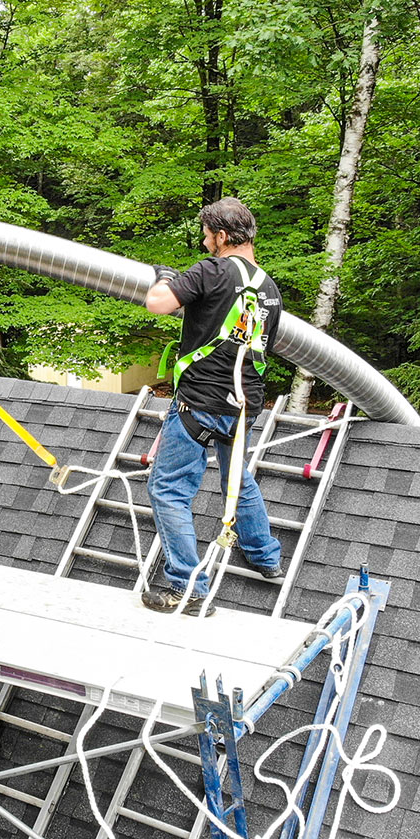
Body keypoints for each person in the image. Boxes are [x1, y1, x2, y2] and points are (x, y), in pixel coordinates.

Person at [142, 197, 283, 617]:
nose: (204, 242)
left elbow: (158, 303)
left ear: (221, 236)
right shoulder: (270, 289)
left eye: (207, 235)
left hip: (199, 403)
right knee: (236, 481)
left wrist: (166, 277)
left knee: (167, 489)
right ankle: (265, 556)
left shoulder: (211, 271)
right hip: (243, 405)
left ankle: (187, 588)